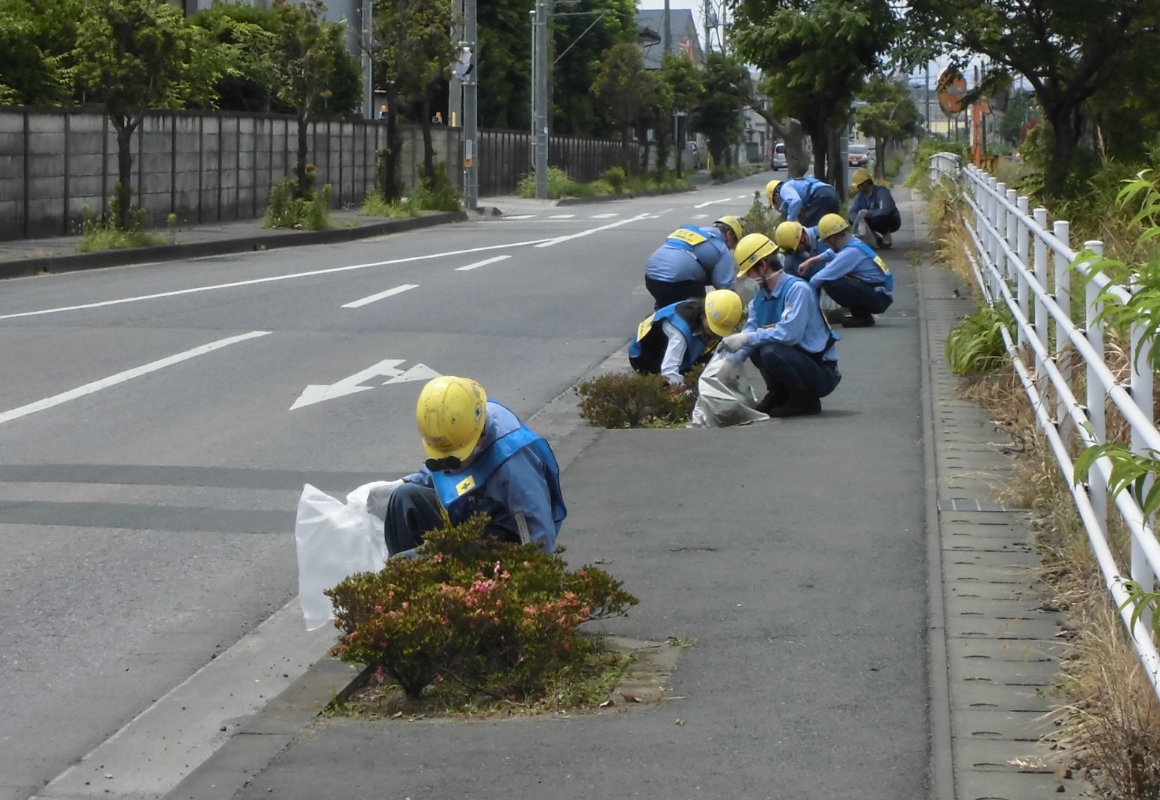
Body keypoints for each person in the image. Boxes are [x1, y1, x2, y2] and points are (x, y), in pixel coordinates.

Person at [378, 376, 566, 558]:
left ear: (478, 434)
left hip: (503, 539)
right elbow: (442, 470)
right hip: (470, 512)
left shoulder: (514, 465)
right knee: (405, 496)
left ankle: (415, 579)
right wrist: (400, 483)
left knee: (409, 560)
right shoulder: (466, 418)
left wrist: (533, 576)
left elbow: (537, 530)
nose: (449, 463)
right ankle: (403, 583)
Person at [720, 233, 841, 417]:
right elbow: (750, 333)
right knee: (755, 346)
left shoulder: (797, 290)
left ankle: (805, 400)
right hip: (797, 361)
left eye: (750, 273)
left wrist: (747, 337)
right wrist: (729, 363)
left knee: (770, 350)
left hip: (821, 371)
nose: (749, 279)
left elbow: (790, 333)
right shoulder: (759, 299)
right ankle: (780, 394)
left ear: (763, 265)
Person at [796, 213, 893, 328]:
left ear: (833, 238)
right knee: (835, 279)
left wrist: (801, 303)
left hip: (879, 298)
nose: (826, 245)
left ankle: (862, 316)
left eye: (826, 241)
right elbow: (832, 253)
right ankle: (862, 315)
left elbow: (819, 278)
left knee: (830, 282)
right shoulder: (853, 242)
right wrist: (811, 261)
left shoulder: (850, 253)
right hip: (879, 292)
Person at [628, 289, 744, 384]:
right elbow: (668, 371)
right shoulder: (679, 331)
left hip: (673, 350)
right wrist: (687, 393)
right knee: (670, 386)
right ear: (704, 313)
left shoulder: (705, 313)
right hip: (645, 356)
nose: (714, 333)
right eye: (712, 328)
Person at [644, 216, 743, 310]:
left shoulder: (692, 231)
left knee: (664, 306)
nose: (730, 249)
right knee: (698, 312)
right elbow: (725, 287)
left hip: (650, 278)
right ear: (729, 234)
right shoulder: (721, 248)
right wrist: (738, 307)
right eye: (732, 244)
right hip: (677, 282)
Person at [848, 168, 901, 249]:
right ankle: (875, 238)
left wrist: (868, 213)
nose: (857, 188)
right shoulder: (860, 197)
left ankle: (887, 239)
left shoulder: (881, 192)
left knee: (879, 219)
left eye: (858, 185)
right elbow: (852, 212)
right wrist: (859, 221)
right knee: (853, 220)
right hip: (872, 219)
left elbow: (885, 210)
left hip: (891, 219)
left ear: (865, 184)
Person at [765, 177, 840, 227]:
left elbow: (796, 202)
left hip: (821, 196)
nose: (779, 209)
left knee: (809, 229)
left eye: (776, 204)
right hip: (831, 194)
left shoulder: (785, 188)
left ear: (776, 195)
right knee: (832, 227)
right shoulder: (794, 184)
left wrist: (790, 223)